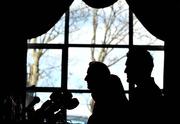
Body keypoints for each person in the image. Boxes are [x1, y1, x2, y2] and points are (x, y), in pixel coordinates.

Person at [124, 47, 164, 123]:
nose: (125, 71)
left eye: (129, 66)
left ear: (139, 68)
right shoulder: (152, 91)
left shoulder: (143, 94)